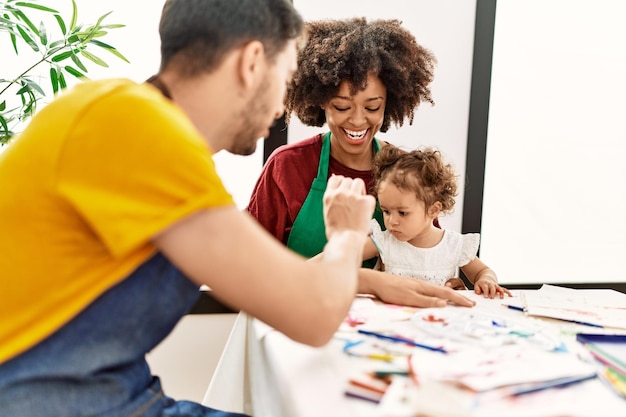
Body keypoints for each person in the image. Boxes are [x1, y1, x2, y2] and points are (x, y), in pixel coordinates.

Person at [0, 1, 381, 416]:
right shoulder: (136, 126)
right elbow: (315, 313)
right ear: (252, 63)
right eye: (284, 79)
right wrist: (347, 233)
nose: (279, 108)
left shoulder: (129, 120)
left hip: (108, 389)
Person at [247, 17, 476, 308]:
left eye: (372, 107)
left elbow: (428, 245)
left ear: (389, 102)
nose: (357, 120)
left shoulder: (407, 172)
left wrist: (443, 276)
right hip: (298, 313)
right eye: (342, 106)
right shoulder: (287, 167)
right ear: (320, 101)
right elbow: (252, 268)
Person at [365, 145, 512, 299]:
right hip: (394, 318)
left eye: (402, 213)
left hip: (437, 319)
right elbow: (344, 255)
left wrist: (486, 280)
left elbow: (482, 271)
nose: (391, 221)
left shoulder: (453, 245)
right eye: (386, 211)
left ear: (433, 210)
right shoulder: (383, 241)